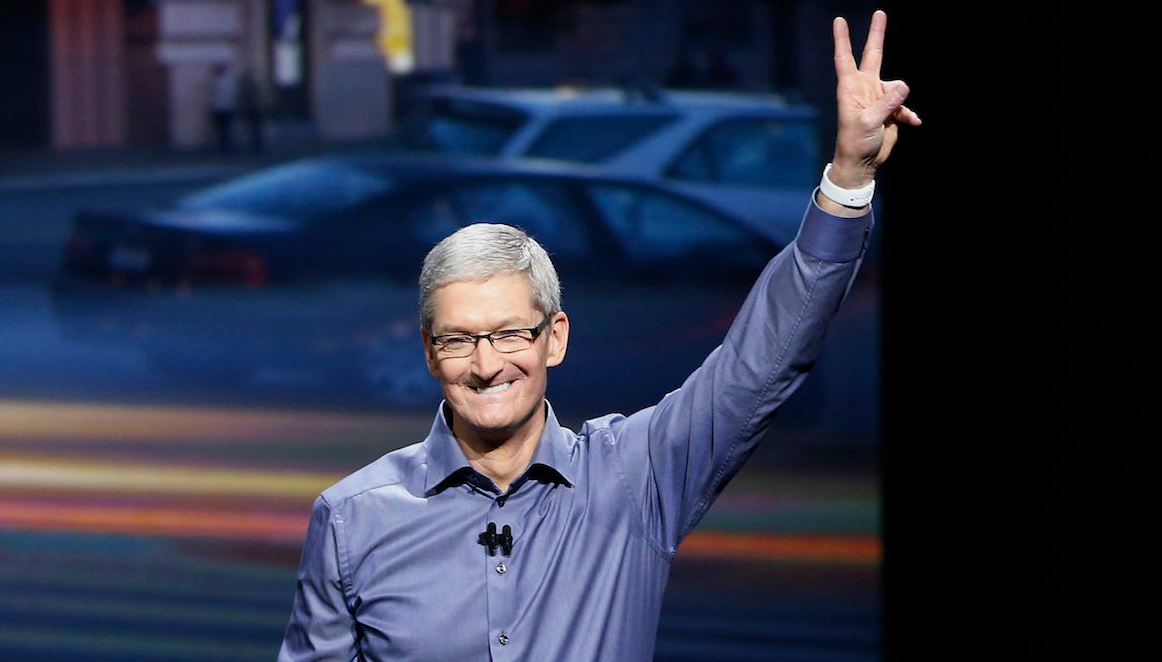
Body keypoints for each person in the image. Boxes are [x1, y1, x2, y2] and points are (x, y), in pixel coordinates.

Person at [276, 10, 920, 661]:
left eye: (509, 334)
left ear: (555, 337)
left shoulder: (633, 476)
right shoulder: (353, 518)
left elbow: (758, 369)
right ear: (428, 352)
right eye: (458, 339)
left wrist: (848, 181)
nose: (486, 362)